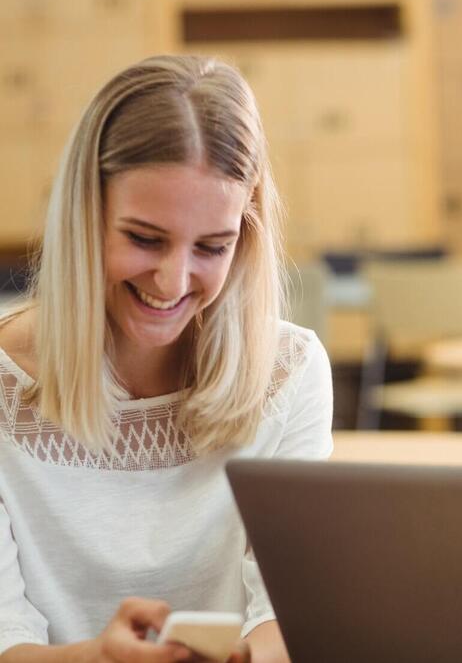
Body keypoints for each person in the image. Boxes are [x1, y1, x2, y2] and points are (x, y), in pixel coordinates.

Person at [0, 56, 333, 662]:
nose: (173, 281)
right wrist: (100, 657)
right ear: (85, 215)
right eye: (145, 239)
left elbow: (285, 613)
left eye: (213, 246)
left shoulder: (291, 370)